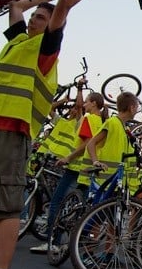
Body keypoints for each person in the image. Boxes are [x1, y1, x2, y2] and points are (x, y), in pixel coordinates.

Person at [0, 0, 108, 269]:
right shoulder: (17, 41)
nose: (34, 17)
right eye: (34, 16)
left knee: (7, 206)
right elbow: (17, 2)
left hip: (14, 128)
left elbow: (64, 5)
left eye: (41, 17)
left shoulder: (45, 47)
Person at [36, 91, 107, 254]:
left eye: (87, 102)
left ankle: (52, 241)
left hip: (76, 167)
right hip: (88, 170)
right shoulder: (101, 121)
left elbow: (86, 143)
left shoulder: (88, 119)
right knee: (78, 208)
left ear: (94, 104)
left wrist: (68, 157)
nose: (84, 105)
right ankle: (73, 244)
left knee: (57, 203)